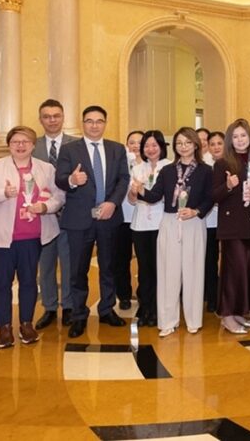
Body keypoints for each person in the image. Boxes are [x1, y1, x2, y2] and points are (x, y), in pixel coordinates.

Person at [0, 126, 65, 348]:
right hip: (1, 237)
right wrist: (2, 193)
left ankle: (26, 324)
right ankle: (4, 327)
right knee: (1, 283)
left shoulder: (46, 168)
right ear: (9, 145)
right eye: (15, 142)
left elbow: (59, 196)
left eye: (25, 141)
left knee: (29, 282)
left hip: (32, 237)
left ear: (33, 145)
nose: (20, 145)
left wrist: (45, 207)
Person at [54, 105, 131, 338]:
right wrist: (72, 179)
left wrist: (113, 203)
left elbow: (124, 179)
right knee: (78, 270)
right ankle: (79, 315)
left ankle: (107, 309)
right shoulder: (69, 150)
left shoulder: (117, 149)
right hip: (79, 219)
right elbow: (60, 179)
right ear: (83, 123)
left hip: (109, 217)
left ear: (105, 123)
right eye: (89, 121)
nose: (94, 125)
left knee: (109, 266)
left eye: (99, 121)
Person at [140, 127, 212, 337]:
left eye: (188, 142)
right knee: (168, 272)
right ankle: (168, 321)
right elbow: (154, 196)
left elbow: (210, 198)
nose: (183, 146)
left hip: (194, 223)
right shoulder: (168, 170)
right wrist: (140, 190)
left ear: (195, 145)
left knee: (193, 272)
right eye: (179, 143)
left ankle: (193, 319)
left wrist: (196, 211)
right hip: (170, 222)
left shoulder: (206, 171)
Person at [212, 119, 250, 335]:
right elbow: (213, 195)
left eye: (243, 135)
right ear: (229, 140)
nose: (240, 140)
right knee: (233, 271)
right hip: (232, 226)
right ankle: (227, 315)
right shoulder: (222, 163)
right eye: (235, 136)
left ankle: (239, 312)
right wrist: (228, 186)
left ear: (249, 138)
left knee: (248, 270)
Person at [33, 99, 78, 330]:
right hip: (42, 215)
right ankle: (49, 307)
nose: (52, 120)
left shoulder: (77, 144)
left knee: (69, 263)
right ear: (40, 119)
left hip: (71, 214)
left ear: (63, 117)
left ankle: (68, 306)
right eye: (47, 116)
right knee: (46, 263)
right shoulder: (32, 145)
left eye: (56, 116)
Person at [128, 130, 169, 327]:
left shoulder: (169, 167)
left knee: (161, 268)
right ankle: (145, 308)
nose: (150, 149)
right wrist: (133, 192)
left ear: (161, 147)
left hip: (162, 223)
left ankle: (159, 309)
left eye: (154, 145)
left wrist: (145, 191)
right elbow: (132, 200)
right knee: (145, 269)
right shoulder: (137, 169)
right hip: (141, 225)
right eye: (147, 146)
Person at [115, 130, 143, 312]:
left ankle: (143, 294)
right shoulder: (120, 164)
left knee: (144, 260)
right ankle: (124, 295)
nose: (135, 146)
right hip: (122, 219)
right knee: (121, 260)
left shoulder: (151, 166)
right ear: (126, 145)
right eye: (132, 142)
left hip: (143, 220)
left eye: (139, 142)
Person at [204, 131, 225, 313]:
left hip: (228, 221)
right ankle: (212, 297)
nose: (216, 147)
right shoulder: (205, 166)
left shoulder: (232, 165)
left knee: (229, 261)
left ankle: (227, 297)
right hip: (209, 221)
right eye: (212, 144)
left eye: (220, 143)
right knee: (210, 260)